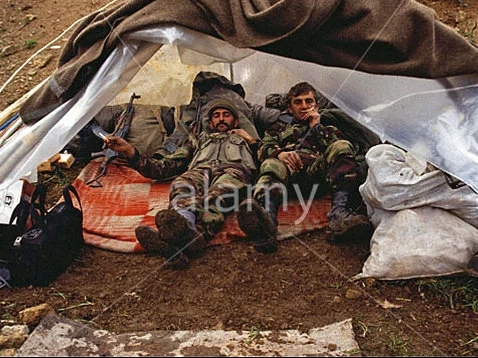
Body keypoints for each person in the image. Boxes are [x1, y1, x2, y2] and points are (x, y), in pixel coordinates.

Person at [105, 99, 260, 269]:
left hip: (232, 171)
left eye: (226, 115)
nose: (221, 119)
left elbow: (265, 159)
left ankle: (177, 242)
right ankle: (183, 229)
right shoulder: (199, 140)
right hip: (199, 172)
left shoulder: (248, 139)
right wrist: (130, 152)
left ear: (235, 121)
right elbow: (164, 167)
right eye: (216, 116)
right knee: (182, 184)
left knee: (217, 195)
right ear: (210, 122)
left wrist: (252, 141)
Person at [238, 81, 371, 253]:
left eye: (308, 101)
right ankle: (267, 225)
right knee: (270, 163)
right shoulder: (278, 127)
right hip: (288, 178)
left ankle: (339, 215)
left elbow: (341, 147)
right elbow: (263, 147)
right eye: (298, 102)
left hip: (318, 174)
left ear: (316, 104)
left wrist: (316, 127)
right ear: (290, 107)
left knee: (341, 146)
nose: (304, 106)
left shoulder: (326, 126)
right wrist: (280, 154)